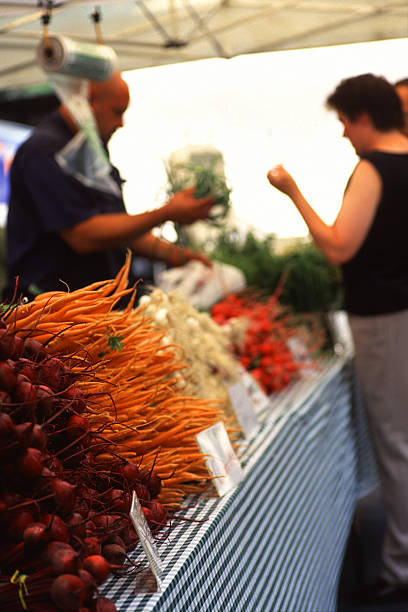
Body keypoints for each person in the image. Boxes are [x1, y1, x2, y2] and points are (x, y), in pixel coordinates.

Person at [266, 73, 408, 605]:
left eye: (346, 121)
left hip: (386, 318)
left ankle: (400, 567)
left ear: (365, 117)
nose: (345, 134)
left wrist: (292, 191)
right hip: (401, 312)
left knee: (395, 442)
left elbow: (338, 247)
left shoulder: (375, 167)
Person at [3, 70, 214, 301]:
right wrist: (167, 212)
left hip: (98, 308)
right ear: (90, 100)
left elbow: (119, 229)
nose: (121, 123)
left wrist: (177, 255)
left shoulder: (92, 150)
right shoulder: (43, 151)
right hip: (49, 312)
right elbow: (83, 235)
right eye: (117, 111)